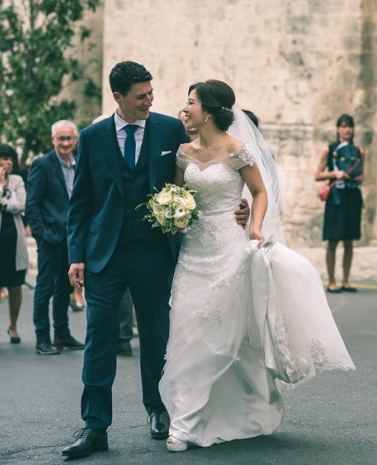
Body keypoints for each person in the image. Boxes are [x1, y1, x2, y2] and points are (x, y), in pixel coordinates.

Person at [62, 62, 248, 459]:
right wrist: (76, 256)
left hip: (154, 253)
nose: (150, 100)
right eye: (140, 96)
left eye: (151, 93)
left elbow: (215, 162)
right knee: (99, 338)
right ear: (118, 98)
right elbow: (80, 204)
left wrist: (240, 204)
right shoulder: (93, 137)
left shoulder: (170, 130)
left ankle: (158, 409)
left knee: (157, 335)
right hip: (104, 256)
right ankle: (95, 426)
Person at [160, 80, 354, 452]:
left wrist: (255, 225)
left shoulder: (237, 151)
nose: (187, 109)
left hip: (228, 250)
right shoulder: (183, 153)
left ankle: (238, 409)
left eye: (192, 103)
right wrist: (173, 214)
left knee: (227, 332)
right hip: (194, 252)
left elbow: (261, 191)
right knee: (187, 330)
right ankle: (184, 421)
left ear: (210, 110)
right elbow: (178, 194)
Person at [26, 120, 85, 355]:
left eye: (69, 138)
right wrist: (42, 235)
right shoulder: (42, 164)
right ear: (53, 140)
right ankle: (42, 338)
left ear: (76, 140)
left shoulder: (79, 163)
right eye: (61, 138)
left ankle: (61, 334)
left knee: (64, 288)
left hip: (73, 239)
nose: (66, 143)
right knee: (44, 288)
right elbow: (32, 205)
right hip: (51, 238)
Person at [0, 143, 28, 345]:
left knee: (15, 284)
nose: (9, 163)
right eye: (4, 159)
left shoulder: (18, 180)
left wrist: (2, 202)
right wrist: (0, 188)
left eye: (11, 159)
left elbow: (22, 205)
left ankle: (13, 326)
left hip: (14, 238)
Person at [315, 114, 364, 293]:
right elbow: (317, 175)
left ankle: (346, 280)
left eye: (349, 126)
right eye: (343, 126)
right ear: (338, 129)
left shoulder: (358, 151)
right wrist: (335, 174)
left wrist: (358, 177)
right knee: (333, 240)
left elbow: (362, 175)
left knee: (349, 240)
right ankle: (332, 280)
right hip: (336, 198)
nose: (346, 129)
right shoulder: (330, 150)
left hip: (352, 197)